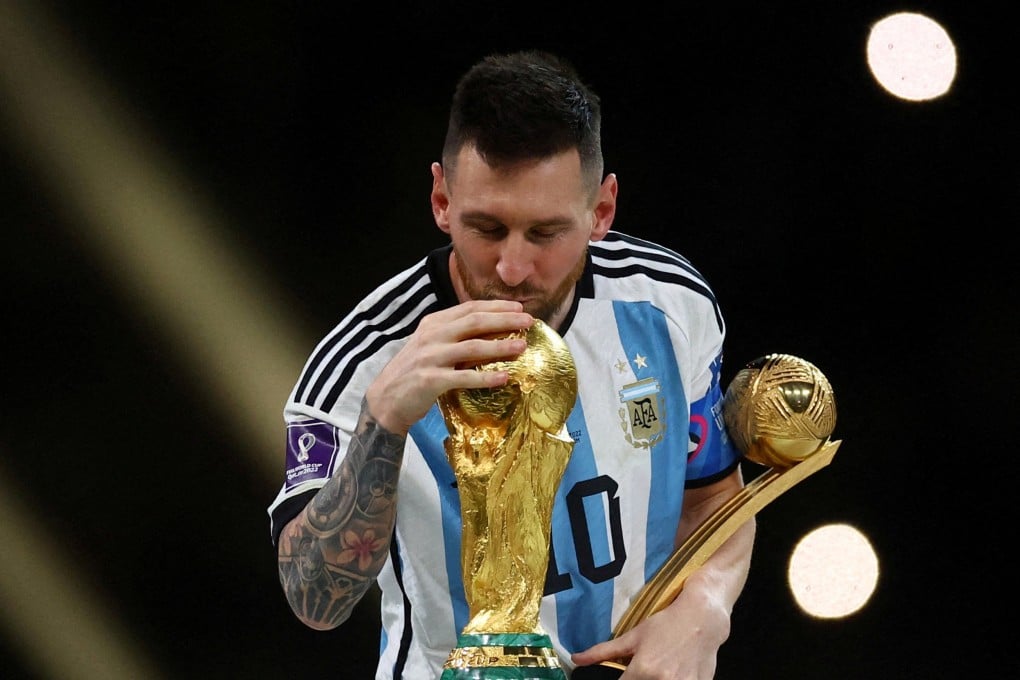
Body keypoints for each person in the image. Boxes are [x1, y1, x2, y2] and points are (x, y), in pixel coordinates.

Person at [268, 49, 755, 679]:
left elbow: (715, 498)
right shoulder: (363, 363)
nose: (512, 269)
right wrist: (383, 423)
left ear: (601, 212)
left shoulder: (670, 306)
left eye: (546, 233)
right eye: (487, 228)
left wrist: (707, 610)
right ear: (442, 200)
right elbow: (314, 600)